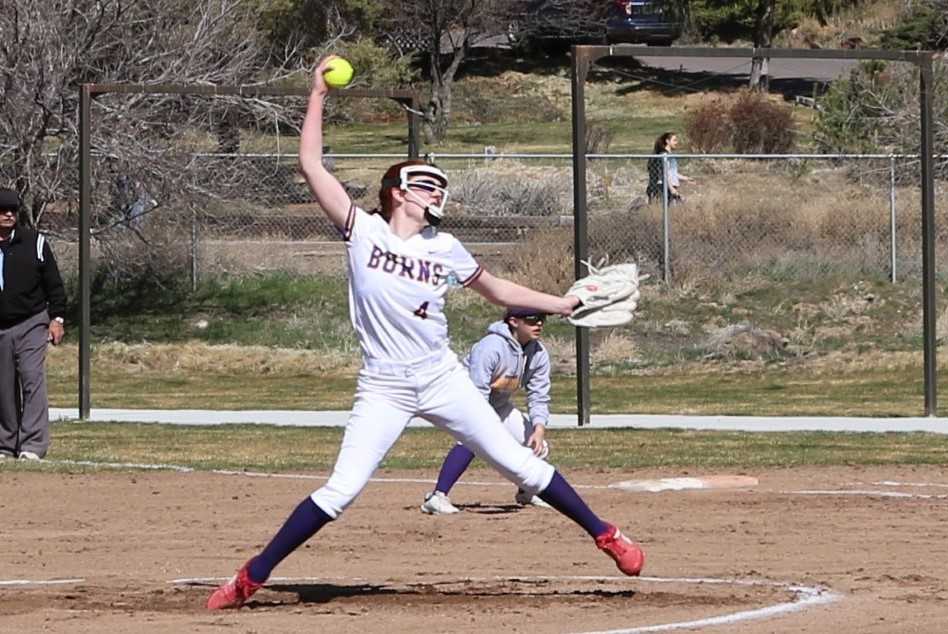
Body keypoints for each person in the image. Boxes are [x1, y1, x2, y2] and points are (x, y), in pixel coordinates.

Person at [206, 55, 645, 610]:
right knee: (340, 491)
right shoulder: (361, 231)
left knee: (517, 463)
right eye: (423, 184)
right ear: (395, 191)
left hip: (440, 376)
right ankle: (251, 576)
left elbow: (500, 291)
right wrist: (317, 93)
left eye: (439, 186)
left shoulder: (445, 248)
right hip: (384, 385)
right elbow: (311, 164)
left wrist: (561, 302)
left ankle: (605, 533)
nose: (434, 192)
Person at [421, 307, 555, 514]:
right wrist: (485, 427)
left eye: (542, 319)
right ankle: (437, 497)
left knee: (538, 445)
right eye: (532, 319)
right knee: (472, 441)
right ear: (513, 321)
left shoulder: (538, 353)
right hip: (464, 401)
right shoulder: (491, 347)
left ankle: (527, 492)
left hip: (498, 406)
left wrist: (539, 428)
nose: (539, 324)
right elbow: (477, 392)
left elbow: (538, 394)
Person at [0, 188, 66, 461]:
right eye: (3, 210)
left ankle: (33, 445)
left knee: (31, 378)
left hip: (31, 322)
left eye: (13, 210)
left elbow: (54, 284)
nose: (8, 214)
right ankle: (5, 444)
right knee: (3, 387)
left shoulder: (34, 243)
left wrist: (57, 319)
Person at [646, 132, 693, 205]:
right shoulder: (664, 156)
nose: (676, 142)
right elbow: (664, 173)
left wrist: (685, 178)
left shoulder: (670, 155)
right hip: (666, 188)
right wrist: (671, 188)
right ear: (667, 141)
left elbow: (672, 172)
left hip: (671, 188)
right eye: (674, 140)